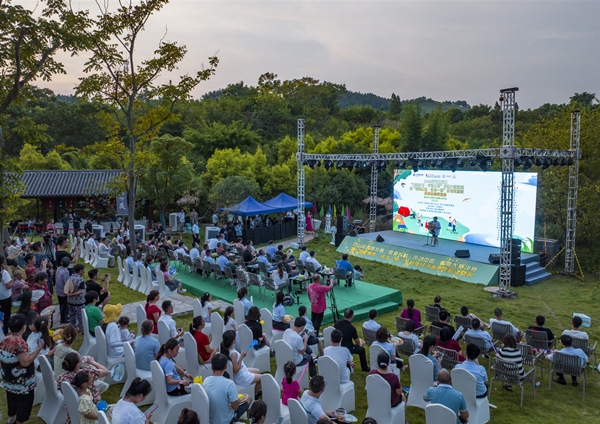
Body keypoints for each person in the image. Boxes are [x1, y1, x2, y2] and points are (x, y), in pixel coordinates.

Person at [0, 314, 46, 424]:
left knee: (12, 401)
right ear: (23, 328)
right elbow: (25, 362)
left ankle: (11, 420)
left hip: (9, 380)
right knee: (23, 405)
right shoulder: (20, 343)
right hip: (22, 383)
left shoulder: (5, 340)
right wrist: (38, 349)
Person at [57, 352, 110, 422]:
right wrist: (92, 362)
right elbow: (106, 372)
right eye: (80, 358)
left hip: (73, 410)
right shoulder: (86, 374)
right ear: (78, 364)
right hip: (92, 408)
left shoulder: (61, 378)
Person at [204, 353, 251, 424]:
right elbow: (235, 407)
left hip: (211, 420)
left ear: (211, 367)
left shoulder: (206, 380)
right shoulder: (229, 383)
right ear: (226, 367)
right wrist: (237, 401)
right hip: (226, 421)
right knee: (249, 399)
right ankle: (236, 420)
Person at [66, 263, 87, 330]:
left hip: (70, 301)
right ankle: (83, 329)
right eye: (84, 270)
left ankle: (73, 328)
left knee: (72, 316)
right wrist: (72, 294)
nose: (84, 271)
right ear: (80, 271)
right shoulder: (81, 280)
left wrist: (70, 295)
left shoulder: (70, 278)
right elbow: (81, 292)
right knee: (81, 318)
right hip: (79, 302)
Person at [55, 256, 71, 323]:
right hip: (63, 292)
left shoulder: (59, 268)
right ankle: (63, 319)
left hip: (58, 289)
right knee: (64, 306)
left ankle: (65, 316)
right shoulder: (66, 272)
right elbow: (67, 283)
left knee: (61, 304)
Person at [0, 255, 14, 325]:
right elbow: (9, 286)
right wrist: (12, 280)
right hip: (4, 297)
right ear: (3, 262)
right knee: (5, 315)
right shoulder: (4, 272)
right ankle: (4, 330)